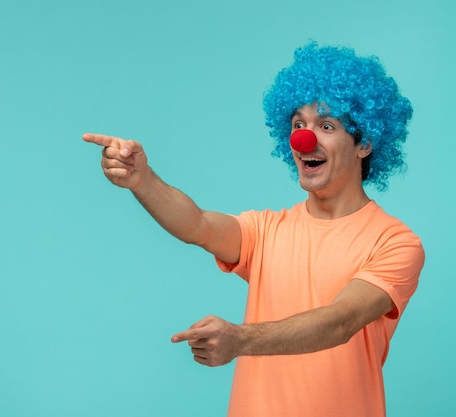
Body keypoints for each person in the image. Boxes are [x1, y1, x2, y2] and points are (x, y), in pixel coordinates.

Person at [82, 42, 424, 417]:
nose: (303, 139)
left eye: (326, 125)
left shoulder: (394, 243)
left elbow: (341, 321)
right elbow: (196, 225)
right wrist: (142, 180)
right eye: (297, 124)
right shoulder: (266, 230)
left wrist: (240, 339)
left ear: (366, 143)